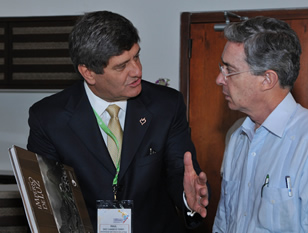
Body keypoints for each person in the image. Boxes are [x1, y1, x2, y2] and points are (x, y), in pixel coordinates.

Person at [27, 10, 209, 233]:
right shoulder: (48, 118)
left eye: (136, 56)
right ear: (89, 73)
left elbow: (179, 170)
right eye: (121, 66)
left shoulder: (166, 106)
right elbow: (51, 201)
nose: (137, 71)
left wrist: (187, 197)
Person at [212, 16, 308, 233]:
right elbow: (224, 222)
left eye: (230, 70)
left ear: (267, 79)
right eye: (222, 67)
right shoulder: (237, 135)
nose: (220, 79)